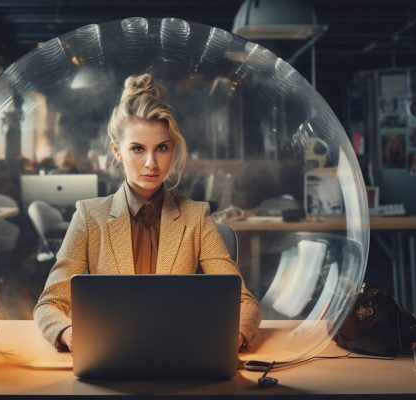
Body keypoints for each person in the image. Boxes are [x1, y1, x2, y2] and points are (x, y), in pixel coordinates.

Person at [33, 73, 261, 352]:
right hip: (110, 352)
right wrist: (69, 333)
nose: (151, 163)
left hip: (179, 354)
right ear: (117, 151)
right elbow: (50, 304)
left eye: (161, 148)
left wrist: (232, 337)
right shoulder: (89, 217)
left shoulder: (196, 217)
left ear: (172, 149)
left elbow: (245, 302)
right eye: (138, 149)